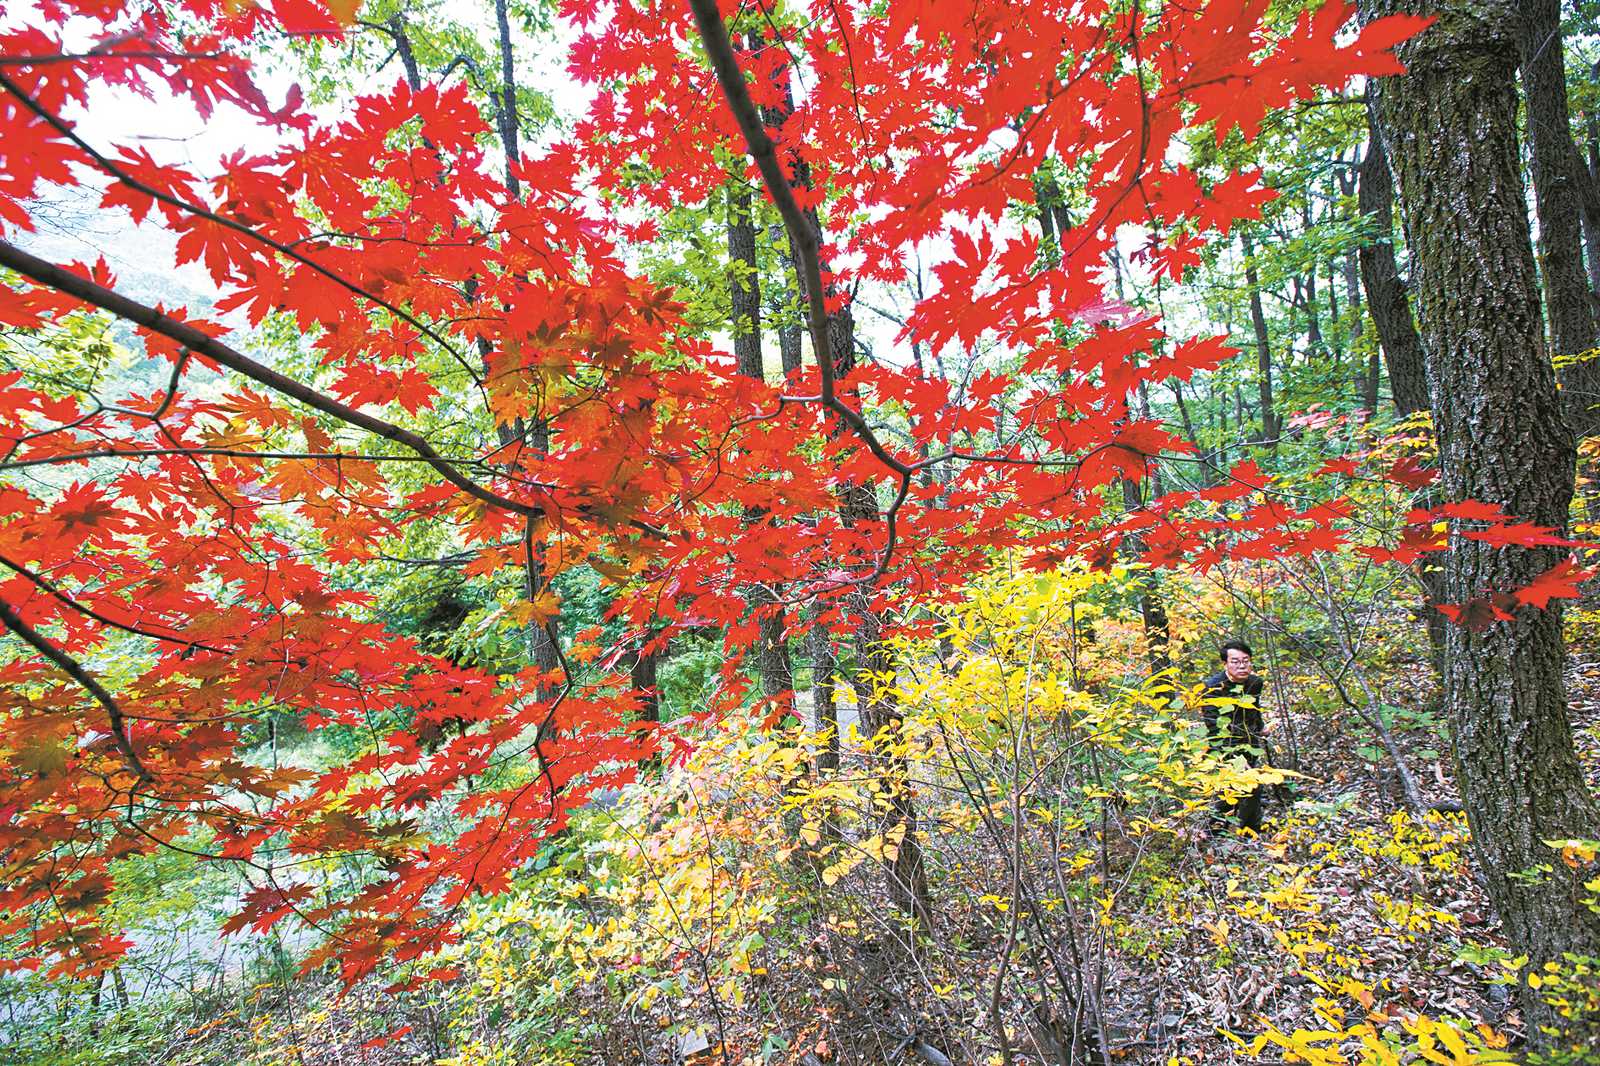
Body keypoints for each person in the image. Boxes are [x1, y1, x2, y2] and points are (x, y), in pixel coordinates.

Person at [1200, 639, 1266, 834]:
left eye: (1246, 660)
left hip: (1249, 742)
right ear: (1225, 664)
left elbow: (1255, 710)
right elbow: (1214, 728)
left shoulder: (1255, 683)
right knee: (1236, 789)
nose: (1242, 665)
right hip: (1224, 746)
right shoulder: (1213, 688)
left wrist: (1261, 728)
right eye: (1235, 661)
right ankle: (1215, 833)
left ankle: (1247, 833)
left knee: (1248, 789)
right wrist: (1235, 759)